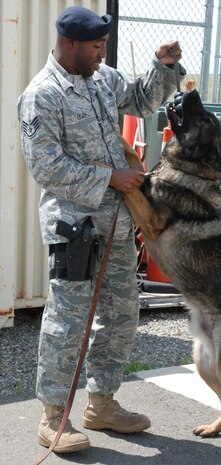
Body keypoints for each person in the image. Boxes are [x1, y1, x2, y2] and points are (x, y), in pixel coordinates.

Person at [17, 6, 186, 454]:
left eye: (104, 47)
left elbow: (142, 99)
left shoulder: (101, 79)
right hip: (74, 227)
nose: (101, 54)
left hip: (116, 220)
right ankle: (54, 416)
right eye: (95, 47)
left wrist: (162, 65)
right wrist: (109, 177)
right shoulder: (42, 95)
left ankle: (102, 403)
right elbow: (46, 166)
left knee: (121, 312)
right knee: (67, 320)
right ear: (69, 43)